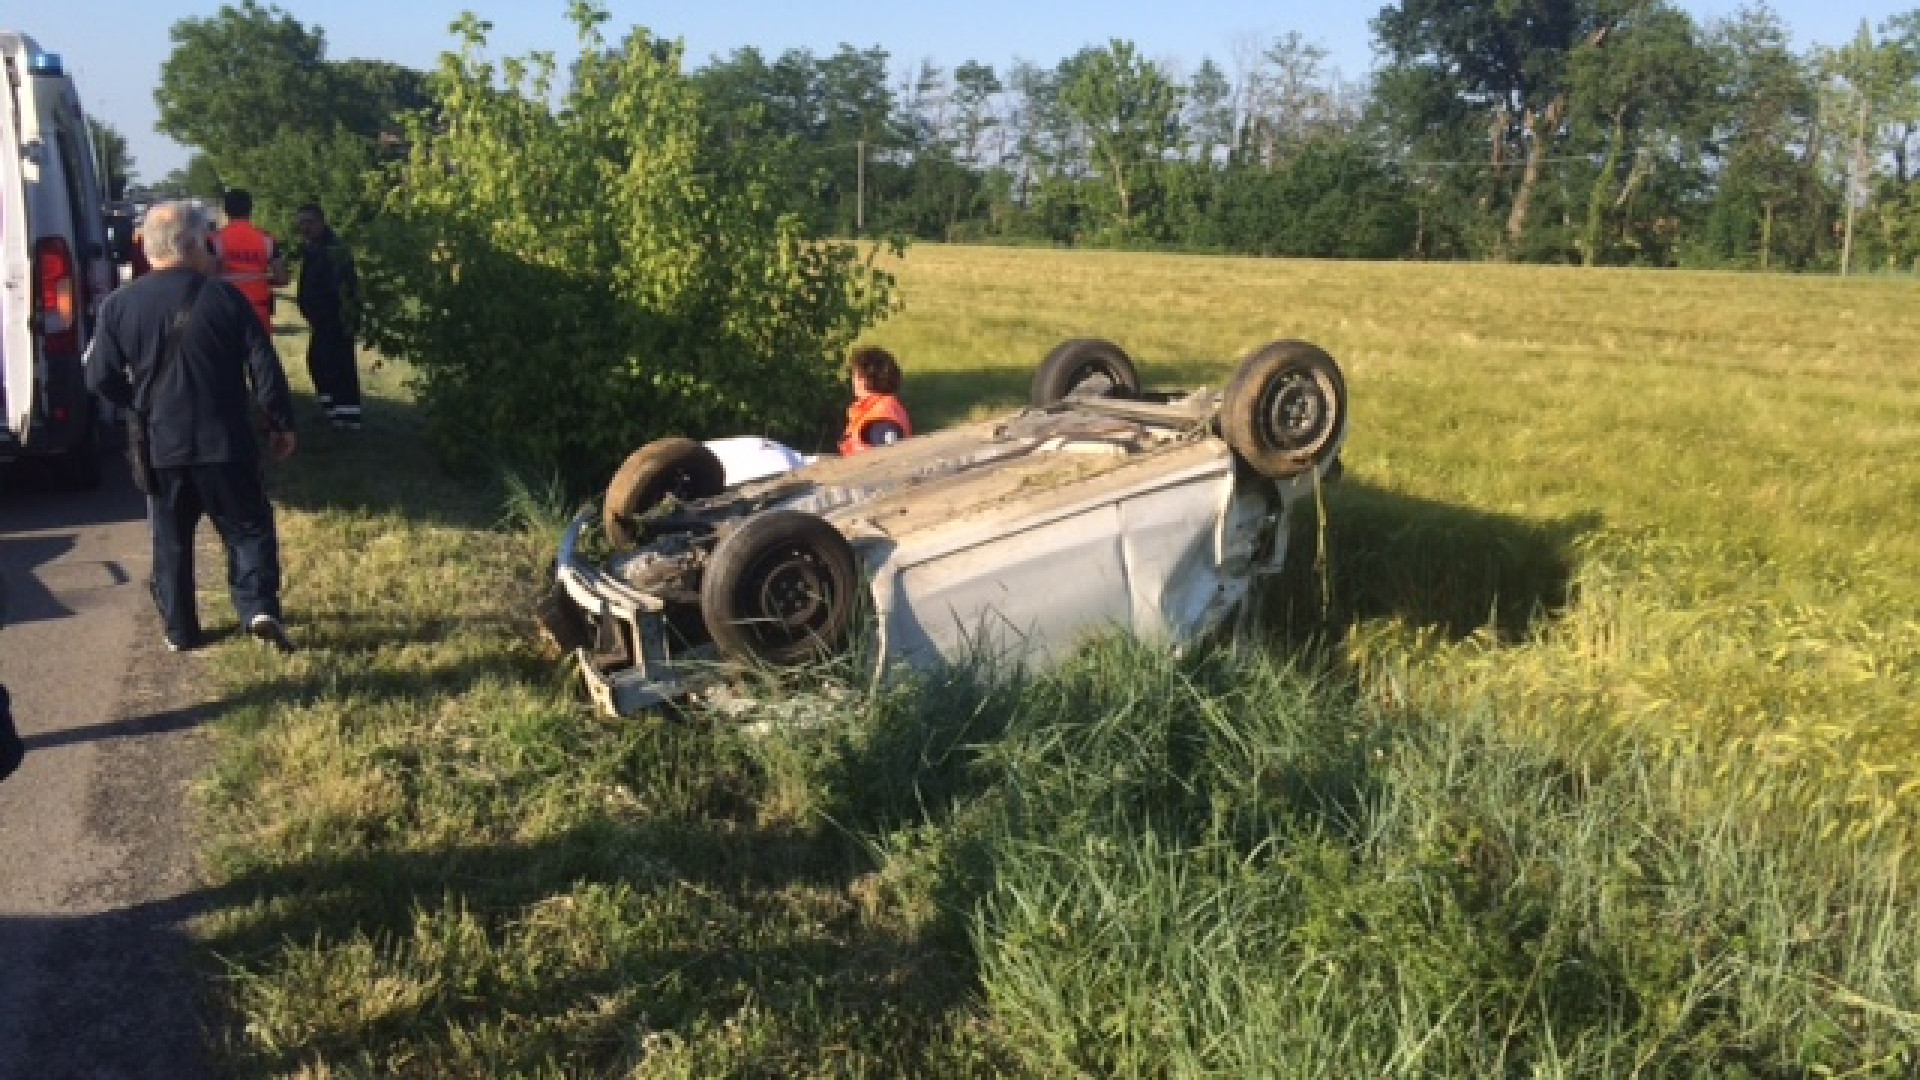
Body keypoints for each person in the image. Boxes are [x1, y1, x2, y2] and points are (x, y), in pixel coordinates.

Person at [85, 201, 300, 655]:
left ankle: (181, 628)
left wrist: (137, 405)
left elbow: (98, 376)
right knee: (246, 527)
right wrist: (279, 421)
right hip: (226, 438)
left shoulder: (118, 306)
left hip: (162, 443)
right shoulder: (225, 298)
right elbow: (263, 365)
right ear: (194, 244)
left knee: (171, 537)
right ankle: (257, 606)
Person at [293, 202, 363, 430]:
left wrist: (338, 316)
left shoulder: (332, 249)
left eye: (310, 223)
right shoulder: (314, 248)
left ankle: (348, 416)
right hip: (321, 320)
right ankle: (333, 410)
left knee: (337, 365)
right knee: (320, 362)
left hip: (335, 319)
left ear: (322, 222)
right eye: (302, 223)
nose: (305, 228)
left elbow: (340, 287)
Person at [213, 188, 285, 331]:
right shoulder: (267, 239)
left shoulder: (214, 240)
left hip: (226, 309)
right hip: (259, 310)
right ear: (250, 209)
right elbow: (282, 278)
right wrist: (261, 280)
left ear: (226, 211)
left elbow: (207, 276)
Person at [839, 345, 912, 456]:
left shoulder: (880, 415)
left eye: (855, 375)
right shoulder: (886, 406)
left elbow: (888, 447)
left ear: (864, 378)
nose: (853, 381)